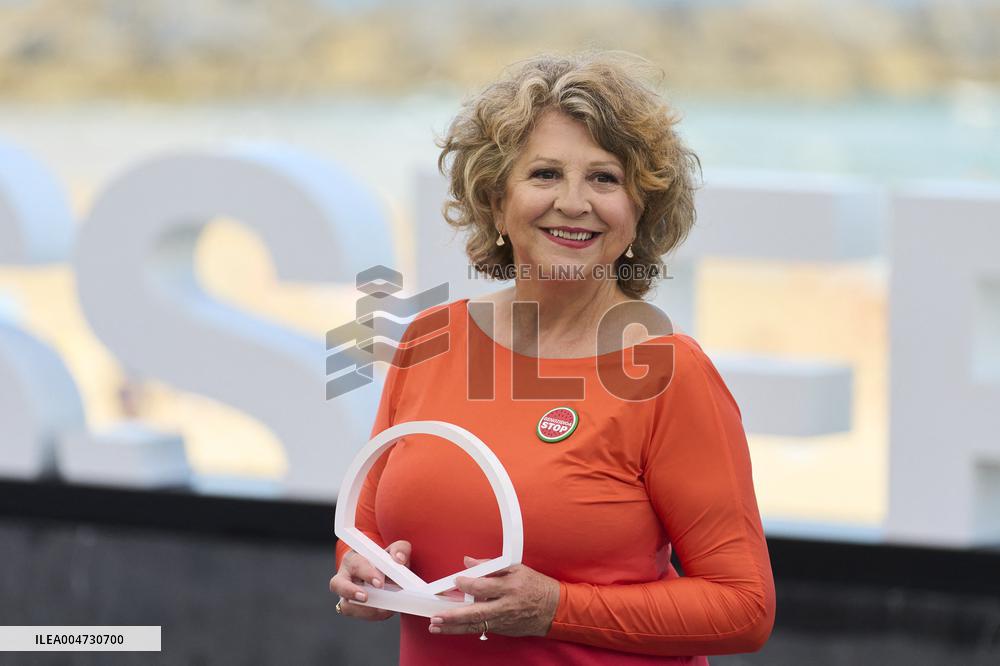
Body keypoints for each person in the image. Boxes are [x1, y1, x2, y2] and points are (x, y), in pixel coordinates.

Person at [329, 50, 775, 665]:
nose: (574, 202)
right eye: (544, 174)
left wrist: (556, 609)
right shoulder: (431, 338)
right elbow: (370, 523)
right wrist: (365, 572)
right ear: (494, 199)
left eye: (604, 178)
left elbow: (743, 608)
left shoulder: (669, 373)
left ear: (639, 209)